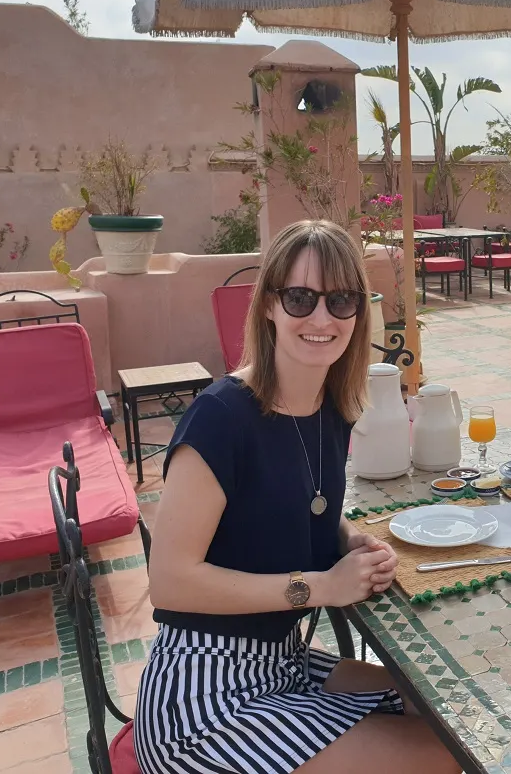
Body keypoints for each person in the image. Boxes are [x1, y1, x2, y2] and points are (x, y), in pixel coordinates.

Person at [136, 220, 460, 774]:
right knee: (447, 755)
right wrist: (322, 587)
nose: (321, 318)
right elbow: (168, 583)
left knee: (446, 710)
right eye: (300, 297)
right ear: (268, 305)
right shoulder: (222, 418)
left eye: (340, 300)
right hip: (203, 698)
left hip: (285, 666)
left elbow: (296, 507)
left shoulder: (328, 407)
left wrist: (350, 541)